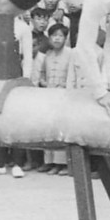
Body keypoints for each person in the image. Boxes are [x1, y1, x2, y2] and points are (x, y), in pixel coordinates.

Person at [34, 23, 75, 176]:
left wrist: (65, 85)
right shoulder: (48, 54)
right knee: (48, 128)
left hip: (65, 96)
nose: (57, 39)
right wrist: (44, 83)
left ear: (65, 38)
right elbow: (42, 74)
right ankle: (50, 162)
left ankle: (63, 164)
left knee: (62, 129)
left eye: (60, 36)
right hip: (49, 96)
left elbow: (73, 75)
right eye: (54, 36)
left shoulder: (71, 54)